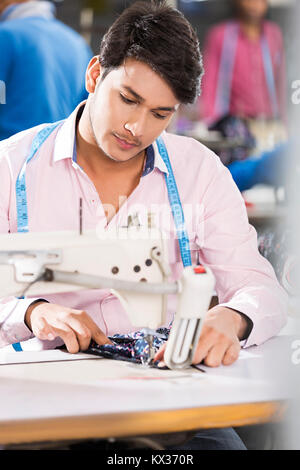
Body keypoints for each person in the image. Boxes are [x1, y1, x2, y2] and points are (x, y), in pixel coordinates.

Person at [0, 0, 287, 450]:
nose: (136, 127)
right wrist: (32, 311)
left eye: (160, 113)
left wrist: (232, 317)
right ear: (95, 75)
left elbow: (260, 287)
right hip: (45, 388)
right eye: (128, 99)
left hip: (167, 392)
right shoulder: (12, 167)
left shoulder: (199, 172)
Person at [0, 0, 92, 140]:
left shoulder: (5, 36)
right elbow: (86, 114)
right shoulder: (78, 45)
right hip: (57, 155)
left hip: (8, 152)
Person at [200, 0, 287, 126]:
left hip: (269, 123)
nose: (254, 4)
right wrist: (211, 122)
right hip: (234, 125)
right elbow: (209, 84)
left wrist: (285, 122)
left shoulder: (273, 35)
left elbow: (281, 82)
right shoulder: (220, 35)